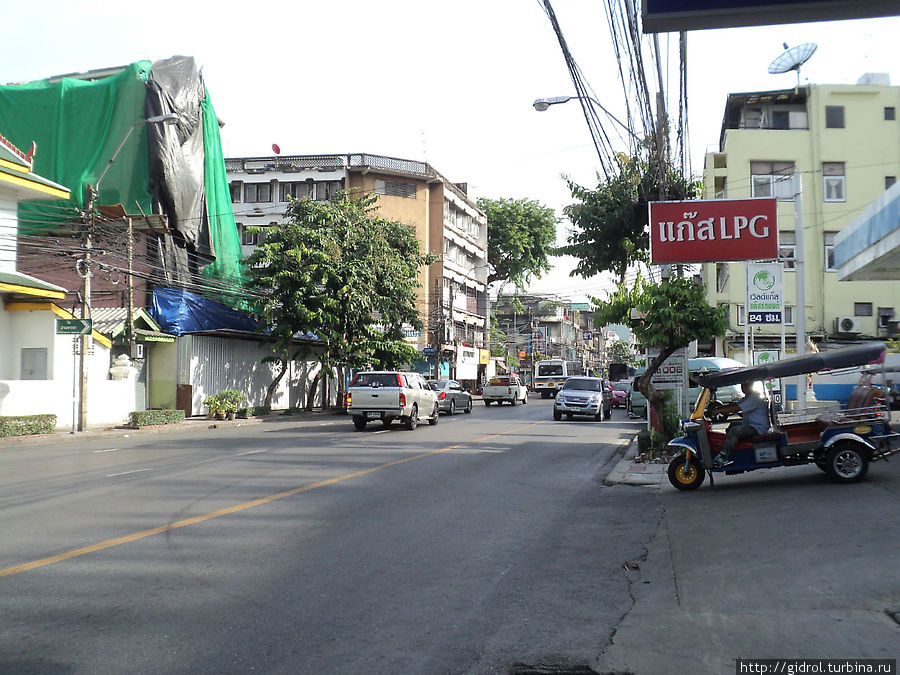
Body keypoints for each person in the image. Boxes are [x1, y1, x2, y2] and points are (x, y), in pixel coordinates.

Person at [711, 381, 770, 467]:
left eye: (746, 385)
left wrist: (719, 410)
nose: (743, 387)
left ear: (751, 385)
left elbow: (736, 408)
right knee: (733, 425)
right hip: (751, 425)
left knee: (735, 430)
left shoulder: (754, 398)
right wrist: (720, 407)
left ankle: (723, 456)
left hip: (758, 428)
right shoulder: (747, 397)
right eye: (742, 385)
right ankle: (732, 449)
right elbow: (735, 405)